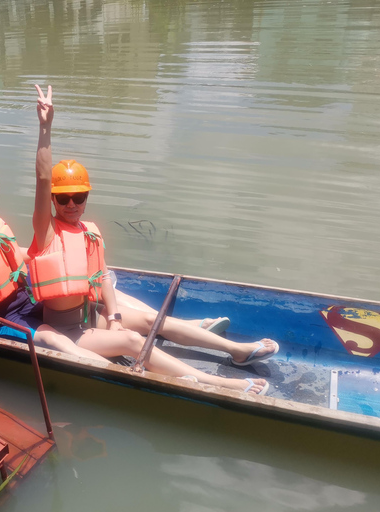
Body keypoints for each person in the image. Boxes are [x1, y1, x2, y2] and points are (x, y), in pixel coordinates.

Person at [29, 84, 279, 395]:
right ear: (53, 200)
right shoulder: (47, 231)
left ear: (86, 196)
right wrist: (45, 127)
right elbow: (41, 179)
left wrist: (116, 316)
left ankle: (236, 350)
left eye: (78, 196)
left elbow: (102, 275)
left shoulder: (89, 230)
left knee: (148, 319)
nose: (71, 204)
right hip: (69, 330)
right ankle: (221, 383)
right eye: (63, 198)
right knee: (133, 342)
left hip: (91, 315)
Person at [0, 161, 110, 362]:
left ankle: (114, 331)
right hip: (3, 317)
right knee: (53, 339)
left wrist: (61, 254)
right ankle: (114, 371)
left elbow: (15, 256)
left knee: (82, 299)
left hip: (29, 299)